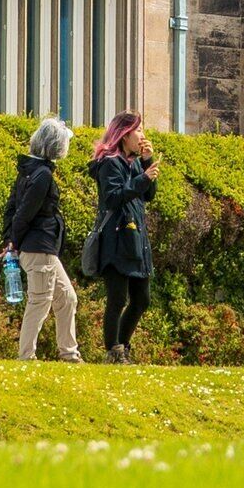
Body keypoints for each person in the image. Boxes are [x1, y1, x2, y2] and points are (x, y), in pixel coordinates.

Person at [1, 115, 80, 362]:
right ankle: (26, 356)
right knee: (40, 301)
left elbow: (12, 208)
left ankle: (69, 353)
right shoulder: (43, 174)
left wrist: (9, 240)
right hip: (39, 247)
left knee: (67, 297)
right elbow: (24, 212)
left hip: (43, 248)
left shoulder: (28, 170)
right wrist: (12, 242)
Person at [83, 113, 158, 362]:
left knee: (142, 299)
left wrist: (147, 164)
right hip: (115, 239)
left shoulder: (134, 163)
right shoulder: (109, 163)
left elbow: (147, 196)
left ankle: (123, 347)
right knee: (117, 298)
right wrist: (142, 178)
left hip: (136, 238)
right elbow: (113, 197)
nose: (143, 136)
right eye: (138, 131)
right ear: (124, 135)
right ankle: (112, 350)